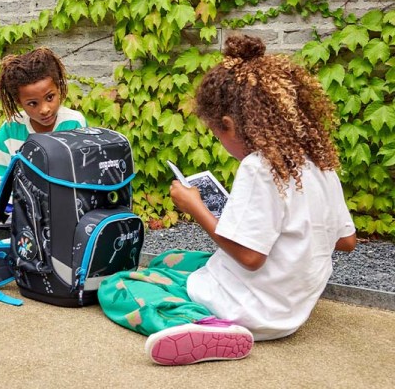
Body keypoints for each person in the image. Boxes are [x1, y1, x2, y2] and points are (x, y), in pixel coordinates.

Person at [98, 34, 357, 365]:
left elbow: (250, 257)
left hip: (250, 308)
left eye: (217, 135)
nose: (221, 144)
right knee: (171, 259)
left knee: (119, 287)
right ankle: (212, 315)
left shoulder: (258, 167)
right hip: (290, 307)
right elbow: (346, 241)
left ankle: (204, 326)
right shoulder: (317, 163)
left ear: (230, 126)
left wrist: (197, 208)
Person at [0, 47, 87, 235]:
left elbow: (80, 175)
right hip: (15, 205)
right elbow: (0, 175)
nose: (45, 109)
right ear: (19, 102)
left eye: (50, 97)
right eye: (33, 103)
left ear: (59, 88)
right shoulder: (10, 128)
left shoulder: (73, 123)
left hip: (59, 207)